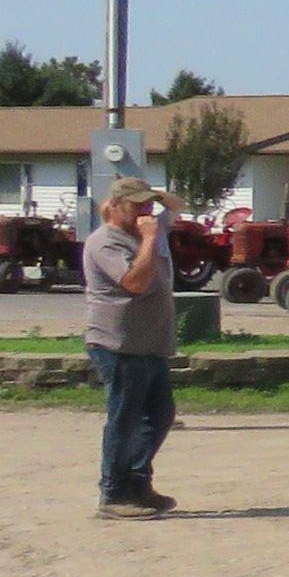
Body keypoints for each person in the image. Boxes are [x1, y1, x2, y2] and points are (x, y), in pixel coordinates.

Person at [83, 176, 179, 518]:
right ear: (117, 206)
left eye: (148, 204)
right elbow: (135, 284)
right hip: (119, 344)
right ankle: (113, 494)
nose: (146, 211)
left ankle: (138, 485)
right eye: (137, 204)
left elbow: (176, 204)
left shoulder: (136, 236)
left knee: (160, 416)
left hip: (149, 344)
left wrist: (156, 203)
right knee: (125, 420)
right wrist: (151, 238)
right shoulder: (106, 242)